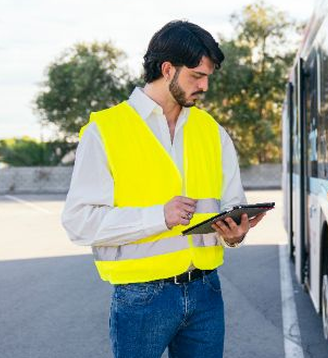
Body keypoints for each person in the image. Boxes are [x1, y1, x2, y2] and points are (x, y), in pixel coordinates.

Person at [61, 20, 265, 358]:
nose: (204, 86)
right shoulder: (105, 131)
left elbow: (231, 203)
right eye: (196, 76)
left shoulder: (211, 130)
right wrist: (160, 216)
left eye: (208, 77)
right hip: (141, 298)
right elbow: (79, 222)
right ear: (167, 69)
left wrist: (234, 232)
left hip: (205, 292)